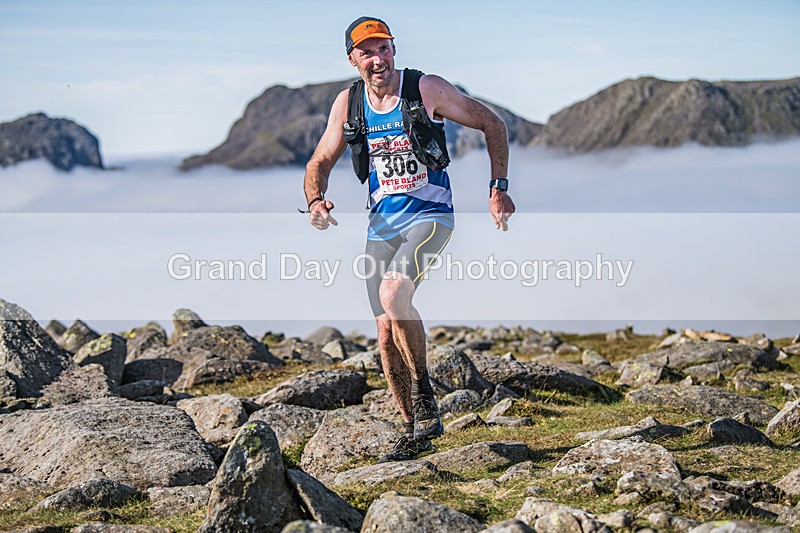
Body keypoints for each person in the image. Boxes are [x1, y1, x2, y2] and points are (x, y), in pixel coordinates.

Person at [302, 16, 515, 461]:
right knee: (383, 332)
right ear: (352, 59)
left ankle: (426, 397)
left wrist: (499, 187)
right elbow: (319, 160)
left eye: (384, 48)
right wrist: (317, 200)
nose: (377, 59)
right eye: (367, 51)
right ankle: (411, 429)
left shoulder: (425, 89)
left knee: (395, 291)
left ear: (394, 50)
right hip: (382, 224)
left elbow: (492, 123)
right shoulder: (349, 104)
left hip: (431, 215)